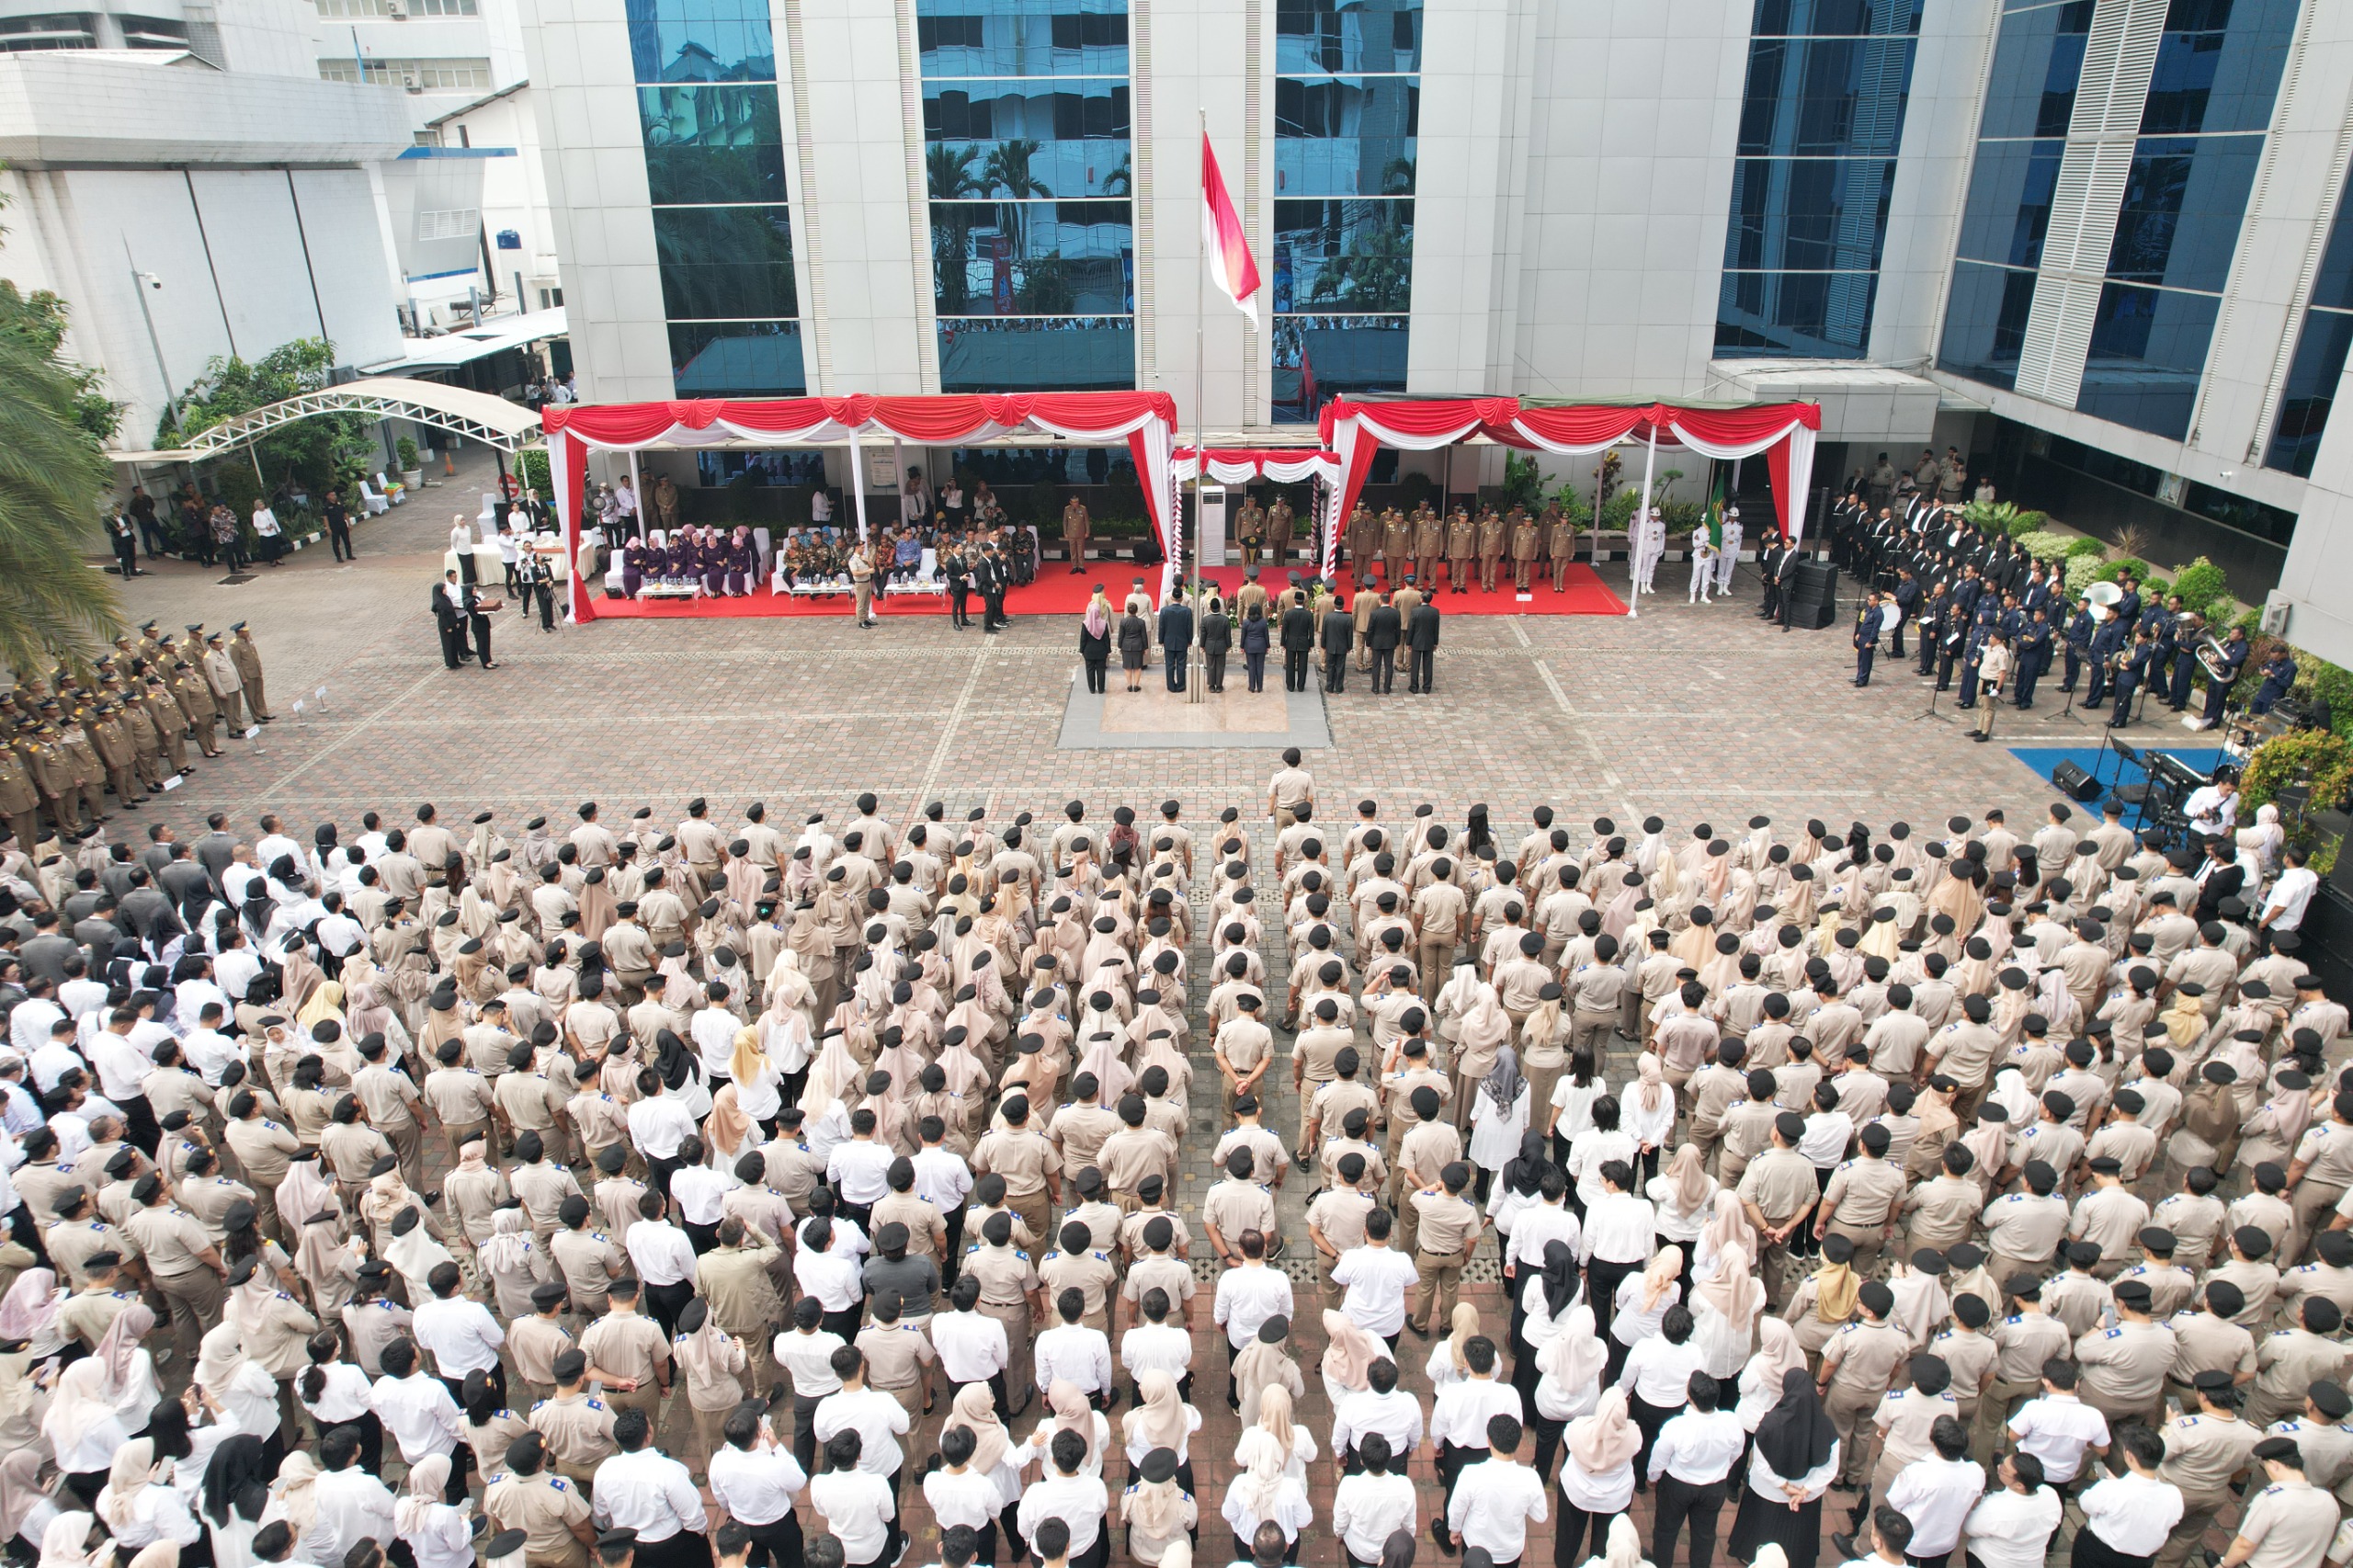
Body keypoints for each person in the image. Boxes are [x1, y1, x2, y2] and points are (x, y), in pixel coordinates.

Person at [1119, 606, 1151, 694]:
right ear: (1137, 610)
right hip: (1138, 646)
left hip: (1126, 645)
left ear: (1128, 611)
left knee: (1127, 666)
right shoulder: (1141, 622)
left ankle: (1129, 685)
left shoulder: (1123, 621)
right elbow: (1144, 636)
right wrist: (1145, 647)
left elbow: (1121, 635)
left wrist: (1120, 646)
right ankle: (1136, 685)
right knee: (1137, 666)